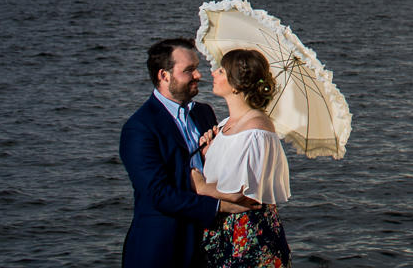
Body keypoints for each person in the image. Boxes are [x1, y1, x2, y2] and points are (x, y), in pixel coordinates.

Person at [121, 37, 255, 268]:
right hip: (162, 248)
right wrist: (220, 206)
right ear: (164, 75)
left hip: (210, 245)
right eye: (189, 70)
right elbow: (158, 194)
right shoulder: (139, 128)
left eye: (197, 68)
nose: (198, 75)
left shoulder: (204, 113)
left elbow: (213, 172)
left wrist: (212, 157)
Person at [189, 47, 294, 268]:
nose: (214, 73)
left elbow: (245, 194)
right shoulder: (224, 124)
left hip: (249, 235)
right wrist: (209, 154)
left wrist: (201, 187)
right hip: (223, 231)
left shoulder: (257, 128)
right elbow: (229, 174)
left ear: (236, 84)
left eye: (222, 71)